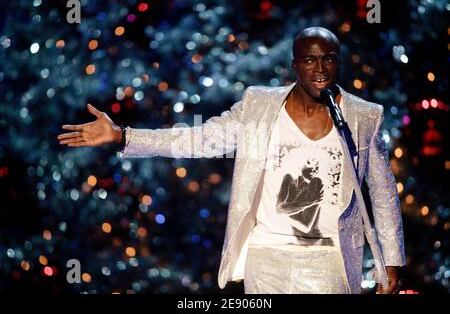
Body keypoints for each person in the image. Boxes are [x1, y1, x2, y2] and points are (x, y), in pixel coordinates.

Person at [57, 27, 405, 294]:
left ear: (338, 62)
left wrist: (390, 260)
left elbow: (383, 192)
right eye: (310, 59)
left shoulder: (362, 116)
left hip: (331, 260)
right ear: (294, 65)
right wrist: (123, 135)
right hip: (267, 256)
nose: (320, 67)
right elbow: (200, 139)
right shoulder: (260, 107)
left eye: (329, 58)